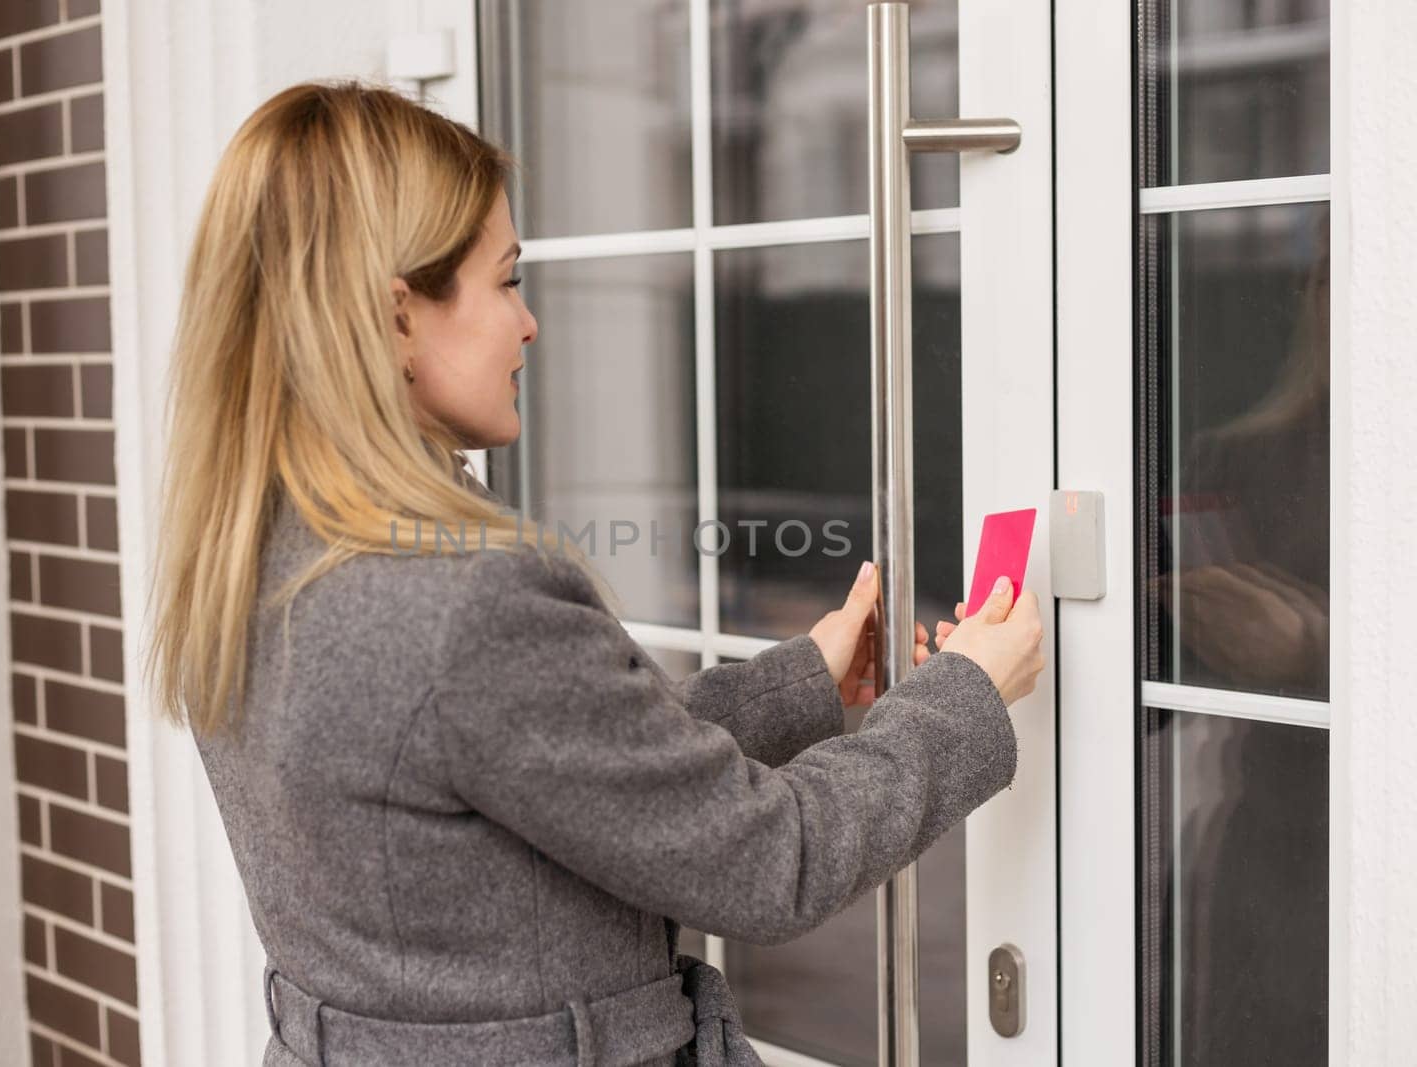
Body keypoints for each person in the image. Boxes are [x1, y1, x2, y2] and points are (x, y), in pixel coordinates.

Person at [146, 79, 1044, 1067]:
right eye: (505, 281)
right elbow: (768, 858)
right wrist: (967, 692)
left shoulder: (253, 550)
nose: (527, 325)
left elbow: (542, 757)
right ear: (398, 317)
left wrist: (804, 683)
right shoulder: (462, 601)